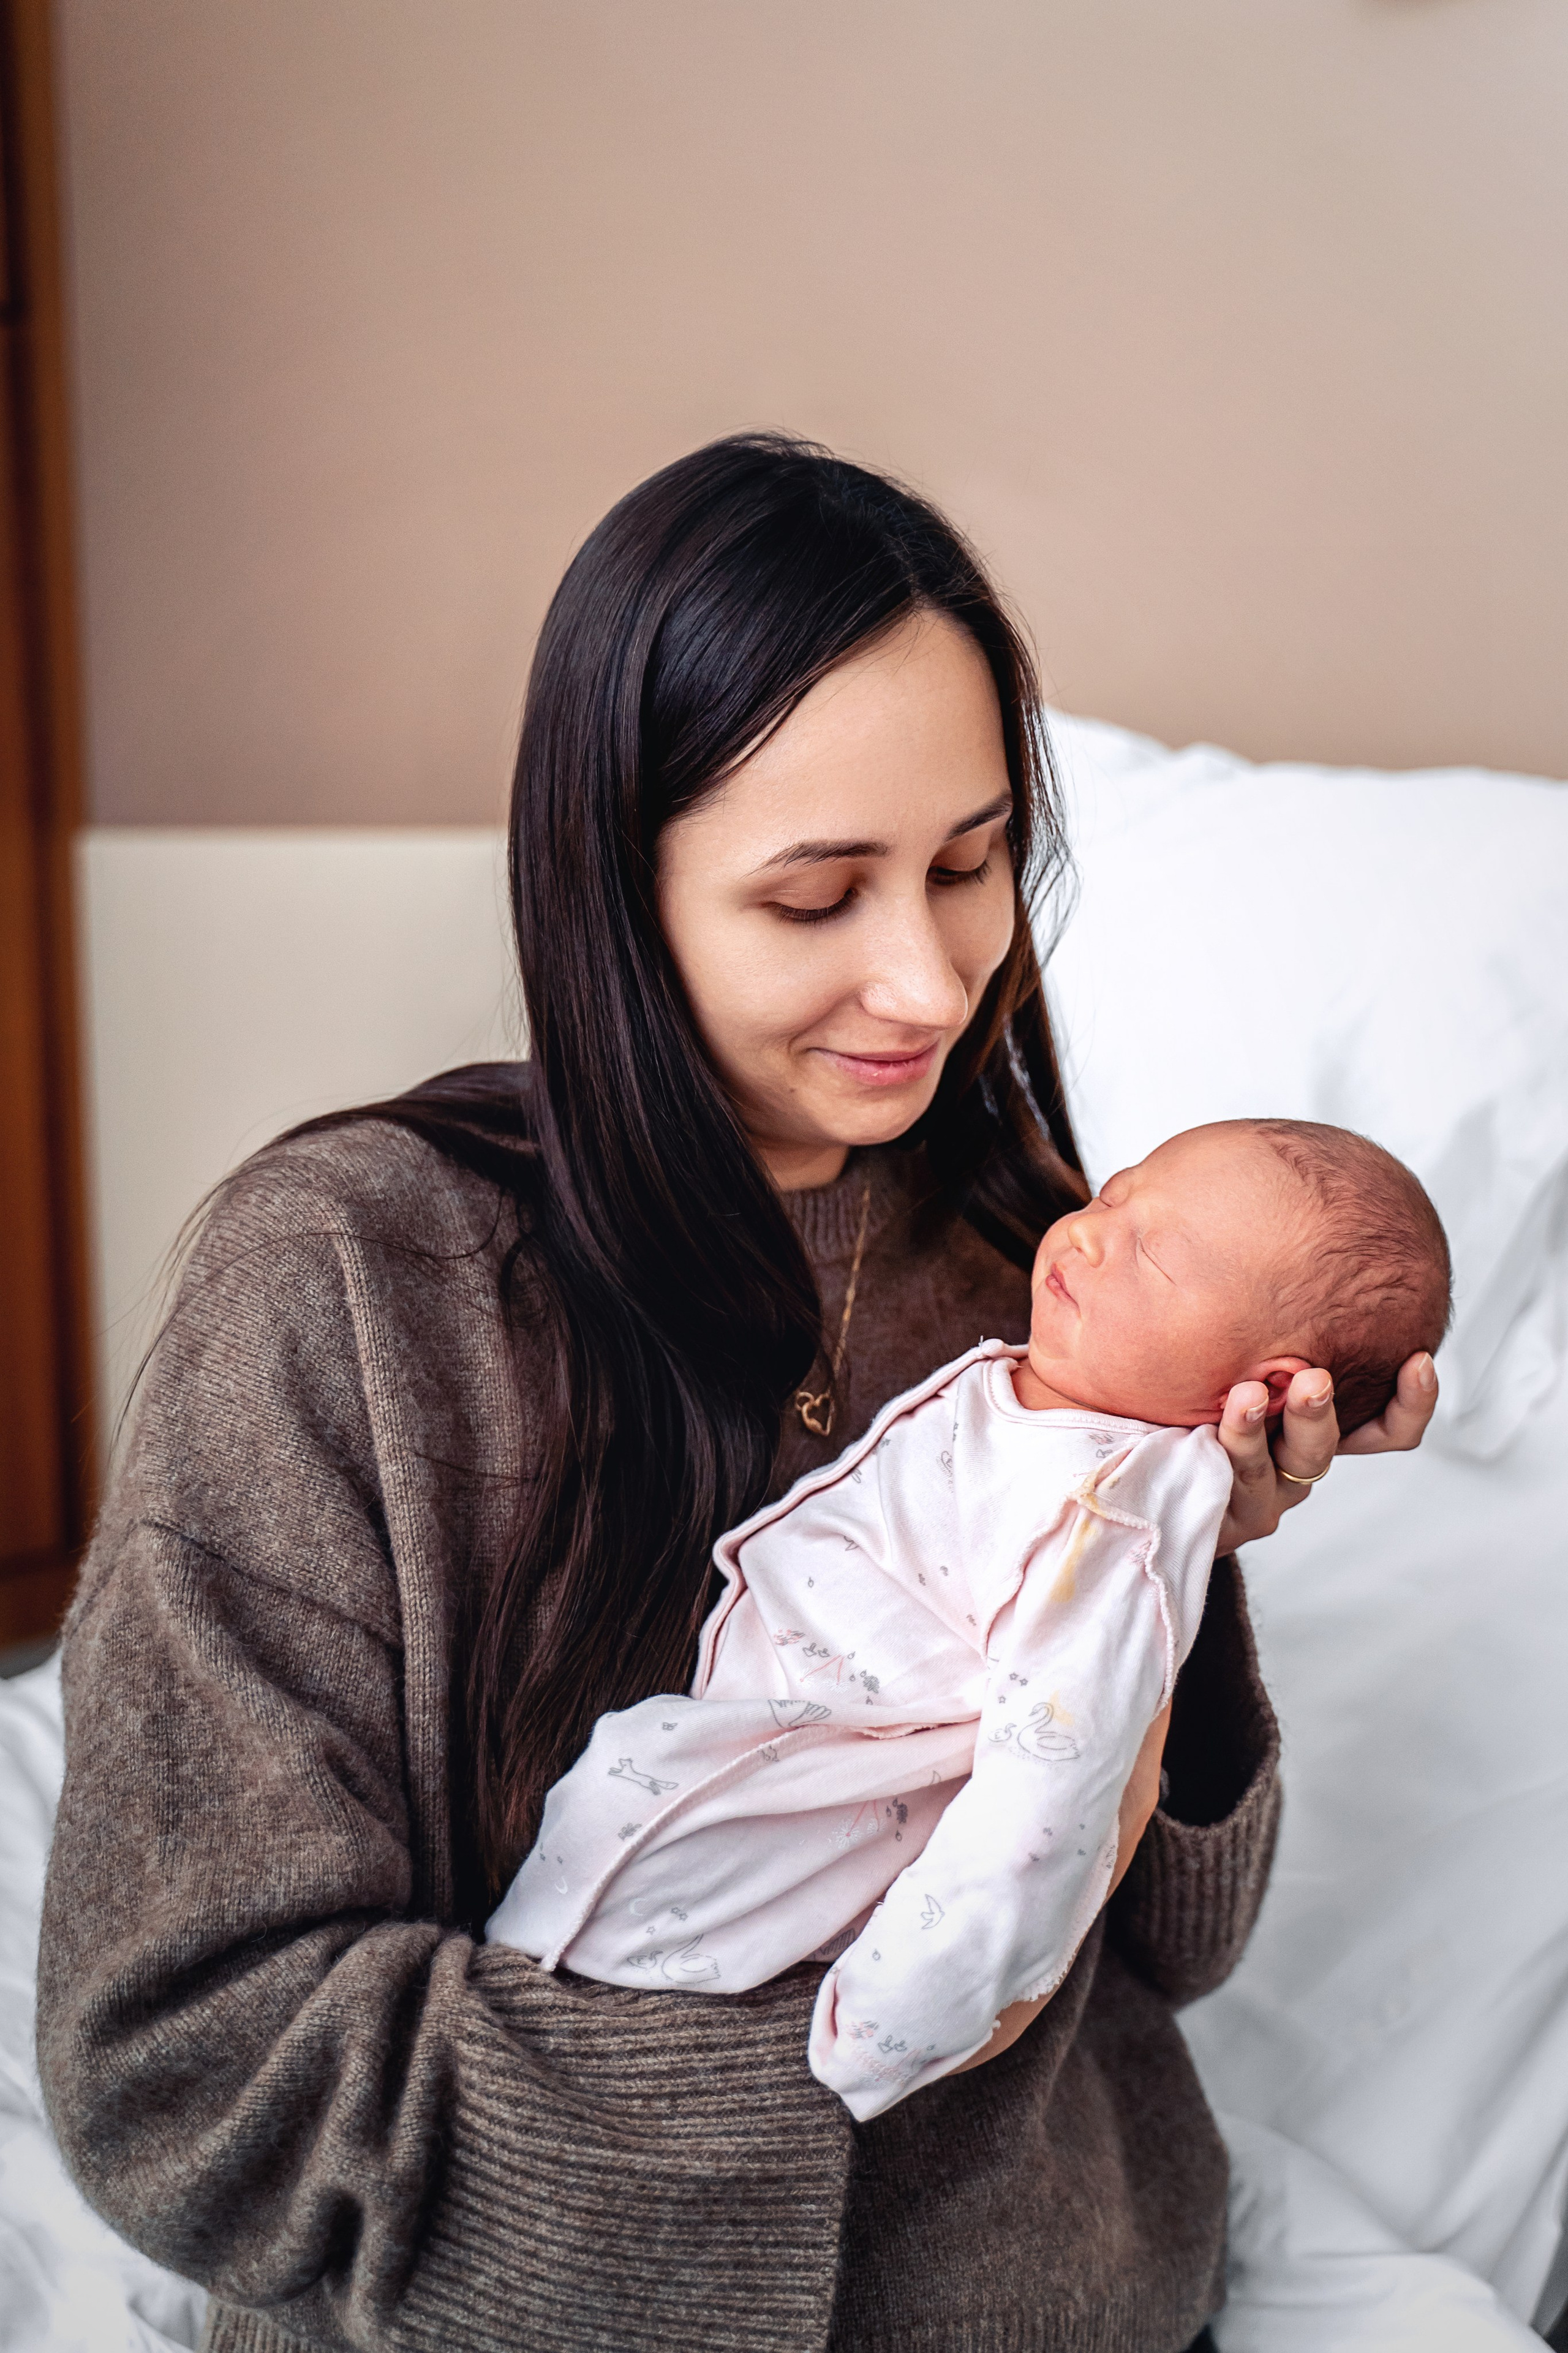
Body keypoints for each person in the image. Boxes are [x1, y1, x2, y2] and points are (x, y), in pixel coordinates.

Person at [36, 437, 1440, 2353]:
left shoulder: (1045, 1263)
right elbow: (189, 2065)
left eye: (970, 866)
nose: (928, 983)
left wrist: (1184, 1551)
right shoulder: (347, 1282)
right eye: (815, 897)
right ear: (618, 889)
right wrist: (806, 2096)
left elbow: (1170, 1958)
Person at [488, 1119, 1451, 2123]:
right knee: (583, 1906)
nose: (1087, 1235)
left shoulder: (1111, 1525)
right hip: (727, 1773)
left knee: (613, 1931)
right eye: (1113, 1194)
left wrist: (886, 2031)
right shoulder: (1055, 1393)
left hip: (819, 1830)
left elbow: (1042, 1817)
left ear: (1272, 1387)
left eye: (1155, 1255)